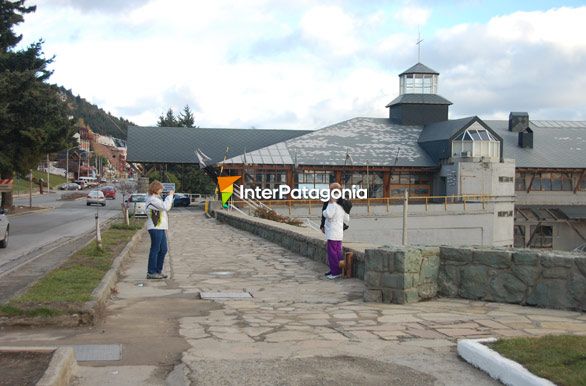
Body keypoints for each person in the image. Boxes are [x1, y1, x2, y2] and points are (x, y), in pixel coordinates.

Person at [145, 180, 174, 279]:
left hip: (160, 227)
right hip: (155, 227)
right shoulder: (152, 200)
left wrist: (167, 197)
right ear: (156, 189)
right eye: (160, 188)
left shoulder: (156, 198)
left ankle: (158, 270)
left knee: (163, 249)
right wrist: (170, 196)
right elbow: (166, 207)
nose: (162, 190)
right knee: (155, 249)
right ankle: (151, 272)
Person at [322, 183, 347, 280]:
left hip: (333, 232)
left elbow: (329, 214)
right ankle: (334, 270)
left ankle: (336, 271)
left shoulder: (333, 203)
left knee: (333, 253)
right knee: (337, 252)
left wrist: (326, 209)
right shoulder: (342, 203)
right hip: (337, 231)